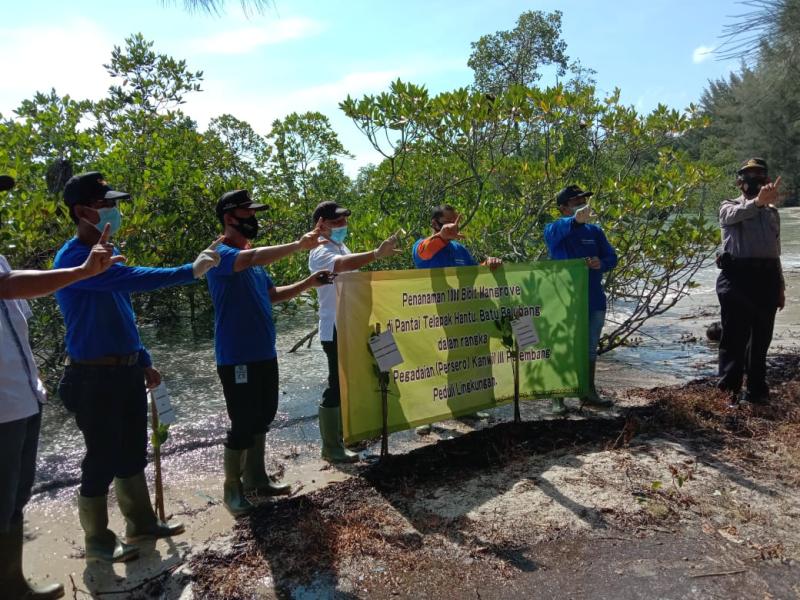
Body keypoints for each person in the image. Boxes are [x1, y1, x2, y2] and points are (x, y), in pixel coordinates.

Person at [53, 172, 220, 563]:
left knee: (132, 451)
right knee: (101, 456)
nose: (115, 211)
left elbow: (122, 311)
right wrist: (189, 270)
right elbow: (133, 279)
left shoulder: (104, 254)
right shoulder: (74, 260)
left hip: (125, 371)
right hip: (93, 376)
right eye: (106, 204)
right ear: (82, 211)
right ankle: (97, 541)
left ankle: (140, 522)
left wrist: (143, 359)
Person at [0, 174, 123, 600]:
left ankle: (12, 583)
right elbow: (8, 287)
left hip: (20, 396)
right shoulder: (73, 257)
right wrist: (81, 271)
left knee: (16, 495)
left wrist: (33, 379)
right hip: (6, 403)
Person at [206, 190, 334, 515]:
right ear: (229, 217)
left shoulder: (253, 258)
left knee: (264, 414)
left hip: (264, 351)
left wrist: (308, 282)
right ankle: (232, 491)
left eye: (253, 212)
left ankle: (257, 478)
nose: (253, 218)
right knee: (242, 420)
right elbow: (249, 259)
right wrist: (297, 245)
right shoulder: (218, 254)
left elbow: (272, 295)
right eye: (247, 213)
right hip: (237, 356)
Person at [308, 201, 400, 462]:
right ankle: (331, 447)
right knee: (336, 385)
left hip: (351, 324)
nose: (343, 225)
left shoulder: (339, 245)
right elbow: (340, 265)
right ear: (321, 225)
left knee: (351, 382)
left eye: (344, 220)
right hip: (335, 327)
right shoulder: (319, 251)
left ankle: (345, 436)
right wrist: (376, 254)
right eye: (337, 222)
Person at [412, 204, 502, 433]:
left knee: (466, 361)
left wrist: (488, 264)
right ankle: (426, 415)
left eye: (455, 222)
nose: (453, 226)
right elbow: (424, 253)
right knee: (430, 365)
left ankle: (465, 408)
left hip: (464, 317)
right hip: (433, 318)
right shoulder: (422, 247)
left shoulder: (460, 250)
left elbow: (474, 275)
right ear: (435, 224)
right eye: (447, 222)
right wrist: (442, 237)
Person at [716, 158, 784, 407]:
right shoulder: (728, 206)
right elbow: (732, 216)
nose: (754, 180)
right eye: (749, 176)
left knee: (761, 340)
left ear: (767, 180)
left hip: (766, 279)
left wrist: (780, 287)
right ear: (739, 182)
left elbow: (775, 252)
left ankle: (756, 392)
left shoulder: (773, 213)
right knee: (734, 339)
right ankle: (728, 394)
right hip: (737, 280)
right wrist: (757, 203)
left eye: (759, 175)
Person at [544, 185, 617, 414]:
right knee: (562, 348)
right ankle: (558, 398)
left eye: (584, 200)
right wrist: (574, 221)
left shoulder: (595, 232)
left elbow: (611, 257)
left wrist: (601, 263)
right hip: (564, 300)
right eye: (576, 202)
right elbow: (556, 233)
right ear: (564, 208)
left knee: (589, 349)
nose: (582, 204)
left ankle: (588, 392)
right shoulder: (554, 228)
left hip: (594, 299)